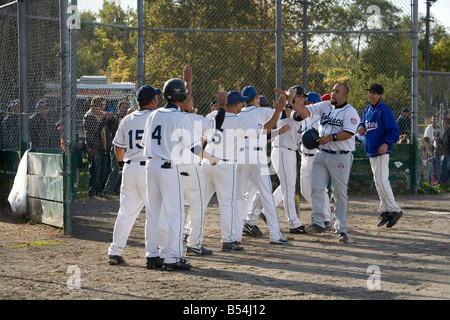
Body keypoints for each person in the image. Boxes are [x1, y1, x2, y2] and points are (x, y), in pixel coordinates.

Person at [141, 77, 220, 271]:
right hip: (168, 168)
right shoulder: (181, 118)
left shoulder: (152, 115)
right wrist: (210, 158)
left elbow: (145, 143)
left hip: (150, 166)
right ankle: (172, 258)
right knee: (175, 214)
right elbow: (194, 148)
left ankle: (152, 255)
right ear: (182, 97)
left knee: (153, 213)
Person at [290, 83, 360, 243]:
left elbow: (349, 133)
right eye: (333, 90)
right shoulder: (325, 105)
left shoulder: (350, 111)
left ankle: (341, 228)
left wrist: (330, 138)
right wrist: (290, 100)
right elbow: (305, 112)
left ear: (345, 95)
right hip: (321, 154)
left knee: (339, 193)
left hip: (340, 156)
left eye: (337, 91)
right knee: (316, 187)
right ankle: (318, 222)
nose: (333, 93)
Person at [107, 85, 161, 266]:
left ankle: (115, 251)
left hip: (130, 167)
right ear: (152, 101)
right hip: (149, 168)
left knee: (125, 212)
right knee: (154, 213)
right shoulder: (156, 116)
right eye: (156, 98)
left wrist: (122, 165)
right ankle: (152, 254)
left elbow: (118, 146)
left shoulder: (127, 119)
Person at [177, 65, 225, 256]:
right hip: (189, 168)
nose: (192, 101)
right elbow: (216, 126)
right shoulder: (191, 119)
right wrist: (222, 105)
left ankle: (173, 242)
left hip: (172, 169)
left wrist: (188, 83)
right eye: (190, 98)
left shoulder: (170, 117)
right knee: (198, 206)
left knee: (175, 208)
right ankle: (194, 244)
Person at [234, 86, 289, 245]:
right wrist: (280, 106)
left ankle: (235, 235)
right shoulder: (262, 111)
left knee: (238, 196)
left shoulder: (237, 115)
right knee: (266, 195)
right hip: (257, 155)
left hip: (240, 155)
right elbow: (280, 118)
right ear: (257, 98)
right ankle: (275, 235)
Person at [357, 84, 403, 228]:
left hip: (382, 150)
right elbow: (364, 123)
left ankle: (395, 209)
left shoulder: (384, 109)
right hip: (371, 150)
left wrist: (386, 143)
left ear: (380, 96)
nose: (371, 95)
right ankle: (386, 210)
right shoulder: (368, 109)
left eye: (374, 93)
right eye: (370, 92)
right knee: (378, 181)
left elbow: (394, 130)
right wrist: (361, 126)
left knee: (382, 180)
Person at [269, 86, 308, 234]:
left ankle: (262, 211)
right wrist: (288, 99)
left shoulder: (301, 113)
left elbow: (299, 115)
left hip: (291, 153)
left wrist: (290, 99)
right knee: (288, 189)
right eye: (299, 96)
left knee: (287, 187)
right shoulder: (286, 110)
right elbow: (287, 113)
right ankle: (293, 223)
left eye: (303, 96)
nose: (302, 99)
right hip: (282, 151)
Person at [299, 92, 333, 228]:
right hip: (304, 157)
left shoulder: (320, 119)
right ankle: (321, 213)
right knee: (305, 190)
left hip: (316, 157)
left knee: (320, 189)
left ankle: (326, 218)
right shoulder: (304, 119)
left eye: (310, 103)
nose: (308, 105)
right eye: (307, 103)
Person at [83, 96, 115, 198]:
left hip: (104, 148)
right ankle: (92, 193)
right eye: (100, 106)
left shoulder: (102, 115)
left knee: (103, 172)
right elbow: (95, 129)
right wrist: (105, 118)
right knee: (95, 172)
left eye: (104, 105)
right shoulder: (89, 116)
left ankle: (100, 191)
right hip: (95, 148)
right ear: (93, 106)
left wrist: (111, 118)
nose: (102, 108)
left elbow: (111, 129)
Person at [103, 100, 130, 197]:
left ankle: (117, 190)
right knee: (116, 169)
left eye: (126, 108)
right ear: (118, 108)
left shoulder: (129, 118)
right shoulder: (114, 118)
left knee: (125, 170)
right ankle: (107, 190)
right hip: (116, 146)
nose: (124, 109)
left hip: (126, 146)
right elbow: (112, 129)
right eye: (122, 107)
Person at [436, 117, 450, 186]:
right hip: (446, 152)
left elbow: (446, 142)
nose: (442, 124)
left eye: (443, 123)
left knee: (444, 167)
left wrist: (438, 140)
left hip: (447, 152)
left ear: (445, 123)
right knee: (446, 167)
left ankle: (442, 182)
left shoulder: (448, 130)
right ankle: (446, 182)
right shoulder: (447, 130)